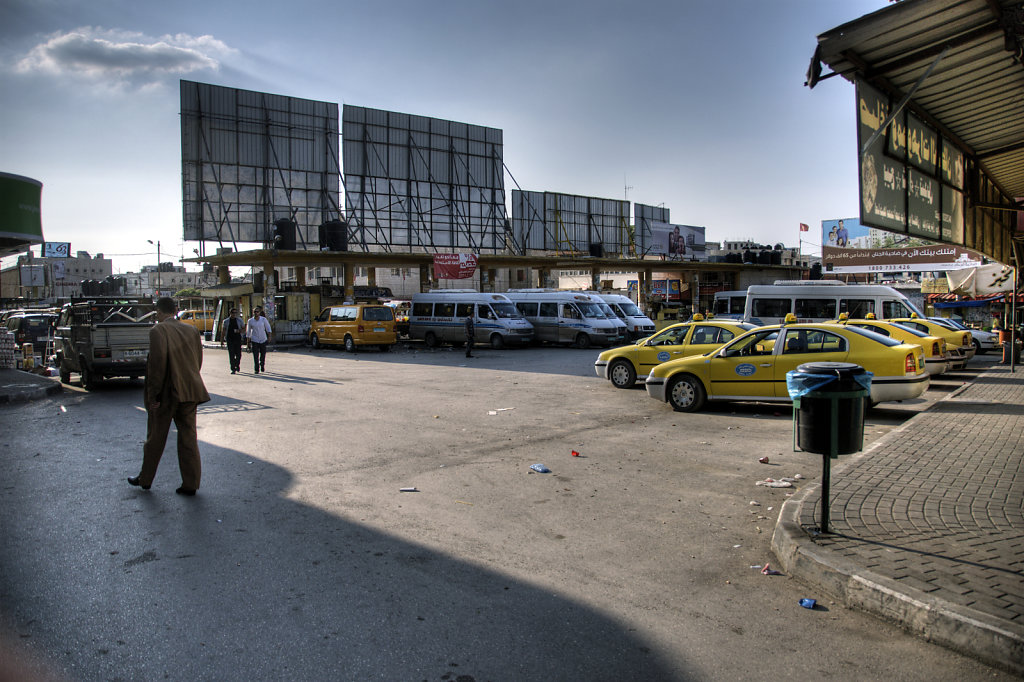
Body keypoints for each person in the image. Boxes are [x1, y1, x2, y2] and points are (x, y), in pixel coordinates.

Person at [128, 297, 210, 496]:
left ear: (158, 311)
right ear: (175, 310)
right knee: (188, 438)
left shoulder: (159, 330)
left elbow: (157, 366)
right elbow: (197, 361)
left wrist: (153, 395)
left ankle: (145, 479)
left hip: (167, 393)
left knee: (155, 438)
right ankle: (191, 483)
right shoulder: (191, 330)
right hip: (190, 390)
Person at [246, 306, 273, 374]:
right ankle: (256, 368)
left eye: (257, 312)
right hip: (254, 339)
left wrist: (269, 336)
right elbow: (248, 332)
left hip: (263, 339)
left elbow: (268, 328)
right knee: (255, 355)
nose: (256, 313)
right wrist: (248, 342)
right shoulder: (250, 321)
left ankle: (262, 364)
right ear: (253, 312)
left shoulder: (263, 319)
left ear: (259, 313)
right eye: (255, 312)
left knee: (263, 354)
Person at [220, 307, 246, 374]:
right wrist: (222, 340)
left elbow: (244, 329)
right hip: (229, 339)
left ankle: (237, 364)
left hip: (238, 339)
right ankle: (233, 368)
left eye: (235, 313)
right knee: (231, 355)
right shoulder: (226, 321)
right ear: (230, 313)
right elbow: (223, 331)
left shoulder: (239, 320)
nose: (234, 314)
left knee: (238, 354)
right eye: (232, 313)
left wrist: (239, 331)